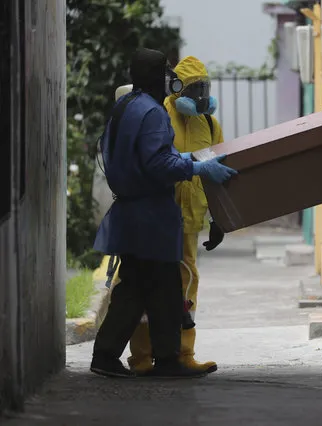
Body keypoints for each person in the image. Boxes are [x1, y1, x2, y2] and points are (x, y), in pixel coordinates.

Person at [90, 47, 238, 379]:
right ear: (162, 78)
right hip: (150, 213)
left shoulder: (125, 106)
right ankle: (117, 354)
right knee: (149, 286)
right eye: (167, 74)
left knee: (158, 286)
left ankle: (164, 357)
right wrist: (198, 169)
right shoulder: (154, 113)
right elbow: (159, 163)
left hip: (133, 209)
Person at [126, 56, 225, 375]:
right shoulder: (159, 116)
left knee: (186, 288)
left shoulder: (209, 123)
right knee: (144, 286)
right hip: (158, 218)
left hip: (189, 223)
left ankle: (183, 353)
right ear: (177, 87)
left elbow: (217, 174)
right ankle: (142, 357)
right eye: (194, 88)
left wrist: (220, 221)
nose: (200, 96)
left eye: (204, 88)